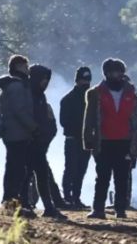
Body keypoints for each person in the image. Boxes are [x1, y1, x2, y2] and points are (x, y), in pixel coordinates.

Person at [83, 58, 137, 219]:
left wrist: (136, 146)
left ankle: (120, 209)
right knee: (102, 176)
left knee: (122, 177)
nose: (115, 75)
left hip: (124, 141)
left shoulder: (132, 94)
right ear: (106, 74)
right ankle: (98, 209)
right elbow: (89, 119)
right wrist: (88, 140)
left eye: (118, 72)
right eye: (112, 72)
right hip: (103, 141)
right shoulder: (94, 93)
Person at [21, 64, 66, 219]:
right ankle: (24, 204)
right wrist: (34, 131)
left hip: (39, 143)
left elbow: (48, 121)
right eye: (43, 79)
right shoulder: (27, 94)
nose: (45, 83)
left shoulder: (40, 96)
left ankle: (48, 206)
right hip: (27, 141)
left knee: (41, 174)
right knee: (26, 175)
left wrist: (44, 136)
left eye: (47, 80)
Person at [0, 55, 37, 217]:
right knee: (18, 169)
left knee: (13, 167)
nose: (28, 69)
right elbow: (20, 111)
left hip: (11, 133)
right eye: (26, 66)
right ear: (19, 66)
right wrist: (33, 127)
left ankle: (10, 202)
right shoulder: (18, 87)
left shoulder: (9, 87)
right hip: (19, 133)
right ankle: (12, 203)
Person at [60, 66, 92, 208]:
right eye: (83, 80)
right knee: (71, 169)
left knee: (81, 170)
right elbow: (64, 121)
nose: (86, 83)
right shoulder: (68, 99)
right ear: (77, 80)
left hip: (86, 140)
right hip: (73, 139)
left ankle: (76, 197)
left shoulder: (92, 99)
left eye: (87, 80)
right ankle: (68, 197)